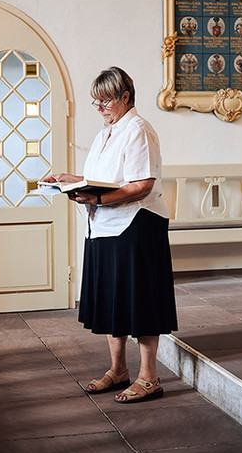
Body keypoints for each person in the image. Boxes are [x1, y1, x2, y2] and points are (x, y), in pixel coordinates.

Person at [41, 67, 176, 403]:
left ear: (125, 97)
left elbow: (142, 184)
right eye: (96, 102)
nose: (99, 108)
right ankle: (118, 370)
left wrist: (98, 198)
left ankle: (149, 377)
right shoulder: (108, 132)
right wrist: (68, 179)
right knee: (114, 301)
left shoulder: (138, 130)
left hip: (137, 226)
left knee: (140, 301)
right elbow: (105, 177)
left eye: (105, 101)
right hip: (104, 226)